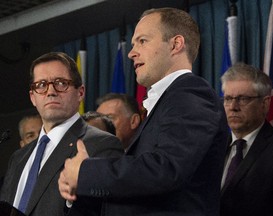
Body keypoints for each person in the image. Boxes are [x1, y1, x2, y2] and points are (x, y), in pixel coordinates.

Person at [58, 7, 228, 216]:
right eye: (132, 44)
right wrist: (78, 188)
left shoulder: (190, 93)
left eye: (143, 41)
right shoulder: (167, 101)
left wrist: (86, 173)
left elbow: (166, 169)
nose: (131, 53)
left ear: (176, 45)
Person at [0, 52, 123, 216]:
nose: (50, 91)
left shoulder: (101, 144)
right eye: (41, 85)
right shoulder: (18, 157)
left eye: (60, 83)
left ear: (80, 92)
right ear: (33, 97)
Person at [220, 62, 273, 216]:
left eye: (242, 99)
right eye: (228, 98)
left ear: (265, 103)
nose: (233, 107)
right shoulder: (212, 146)